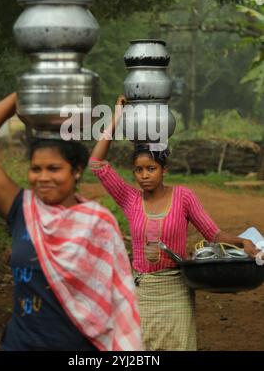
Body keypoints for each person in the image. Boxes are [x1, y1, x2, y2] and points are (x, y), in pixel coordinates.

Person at [0, 93, 142, 351]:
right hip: (20, 345)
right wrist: (22, 95)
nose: (43, 177)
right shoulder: (24, 210)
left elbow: (118, 299)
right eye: (36, 169)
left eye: (54, 169)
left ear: (77, 170)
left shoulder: (97, 222)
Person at [89, 95, 259, 351]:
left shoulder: (183, 197)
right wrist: (116, 116)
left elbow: (213, 234)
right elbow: (97, 163)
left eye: (151, 169)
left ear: (164, 170)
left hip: (176, 290)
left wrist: (241, 241)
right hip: (142, 292)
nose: (144, 176)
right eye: (138, 170)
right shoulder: (130, 199)